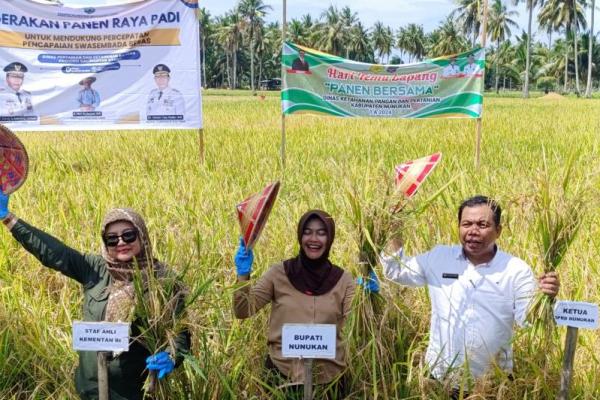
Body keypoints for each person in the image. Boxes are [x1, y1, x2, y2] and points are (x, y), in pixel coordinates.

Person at [0, 191, 190, 400]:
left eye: (128, 235)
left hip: (133, 392)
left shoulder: (163, 280)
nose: (120, 243)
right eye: (112, 239)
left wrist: (172, 356)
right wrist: (8, 218)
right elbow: (53, 252)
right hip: (89, 389)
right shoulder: (95, 269)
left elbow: (181, 331)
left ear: (142, 235)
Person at [378, 195, 559, 397]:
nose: (473, 231)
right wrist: (395, 226)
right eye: (467, 224)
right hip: (441, 381)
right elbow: (395, 271)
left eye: (483, 224)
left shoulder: (515, 270)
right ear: (459, 227)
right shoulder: (439, 257)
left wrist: (545, 298)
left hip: (493, 384)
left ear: (498, 230)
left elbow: (528, 321)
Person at [233, 210, 355, 398]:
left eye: (321, 233)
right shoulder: (278, 274)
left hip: (330, 383)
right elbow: (242, 310)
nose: (313, 239)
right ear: (300, 235)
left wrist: (368, 297)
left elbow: (357, 323)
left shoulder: (343, 280)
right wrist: (243, 274)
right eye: (307, 232)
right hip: (282, 378)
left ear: (330, 237)